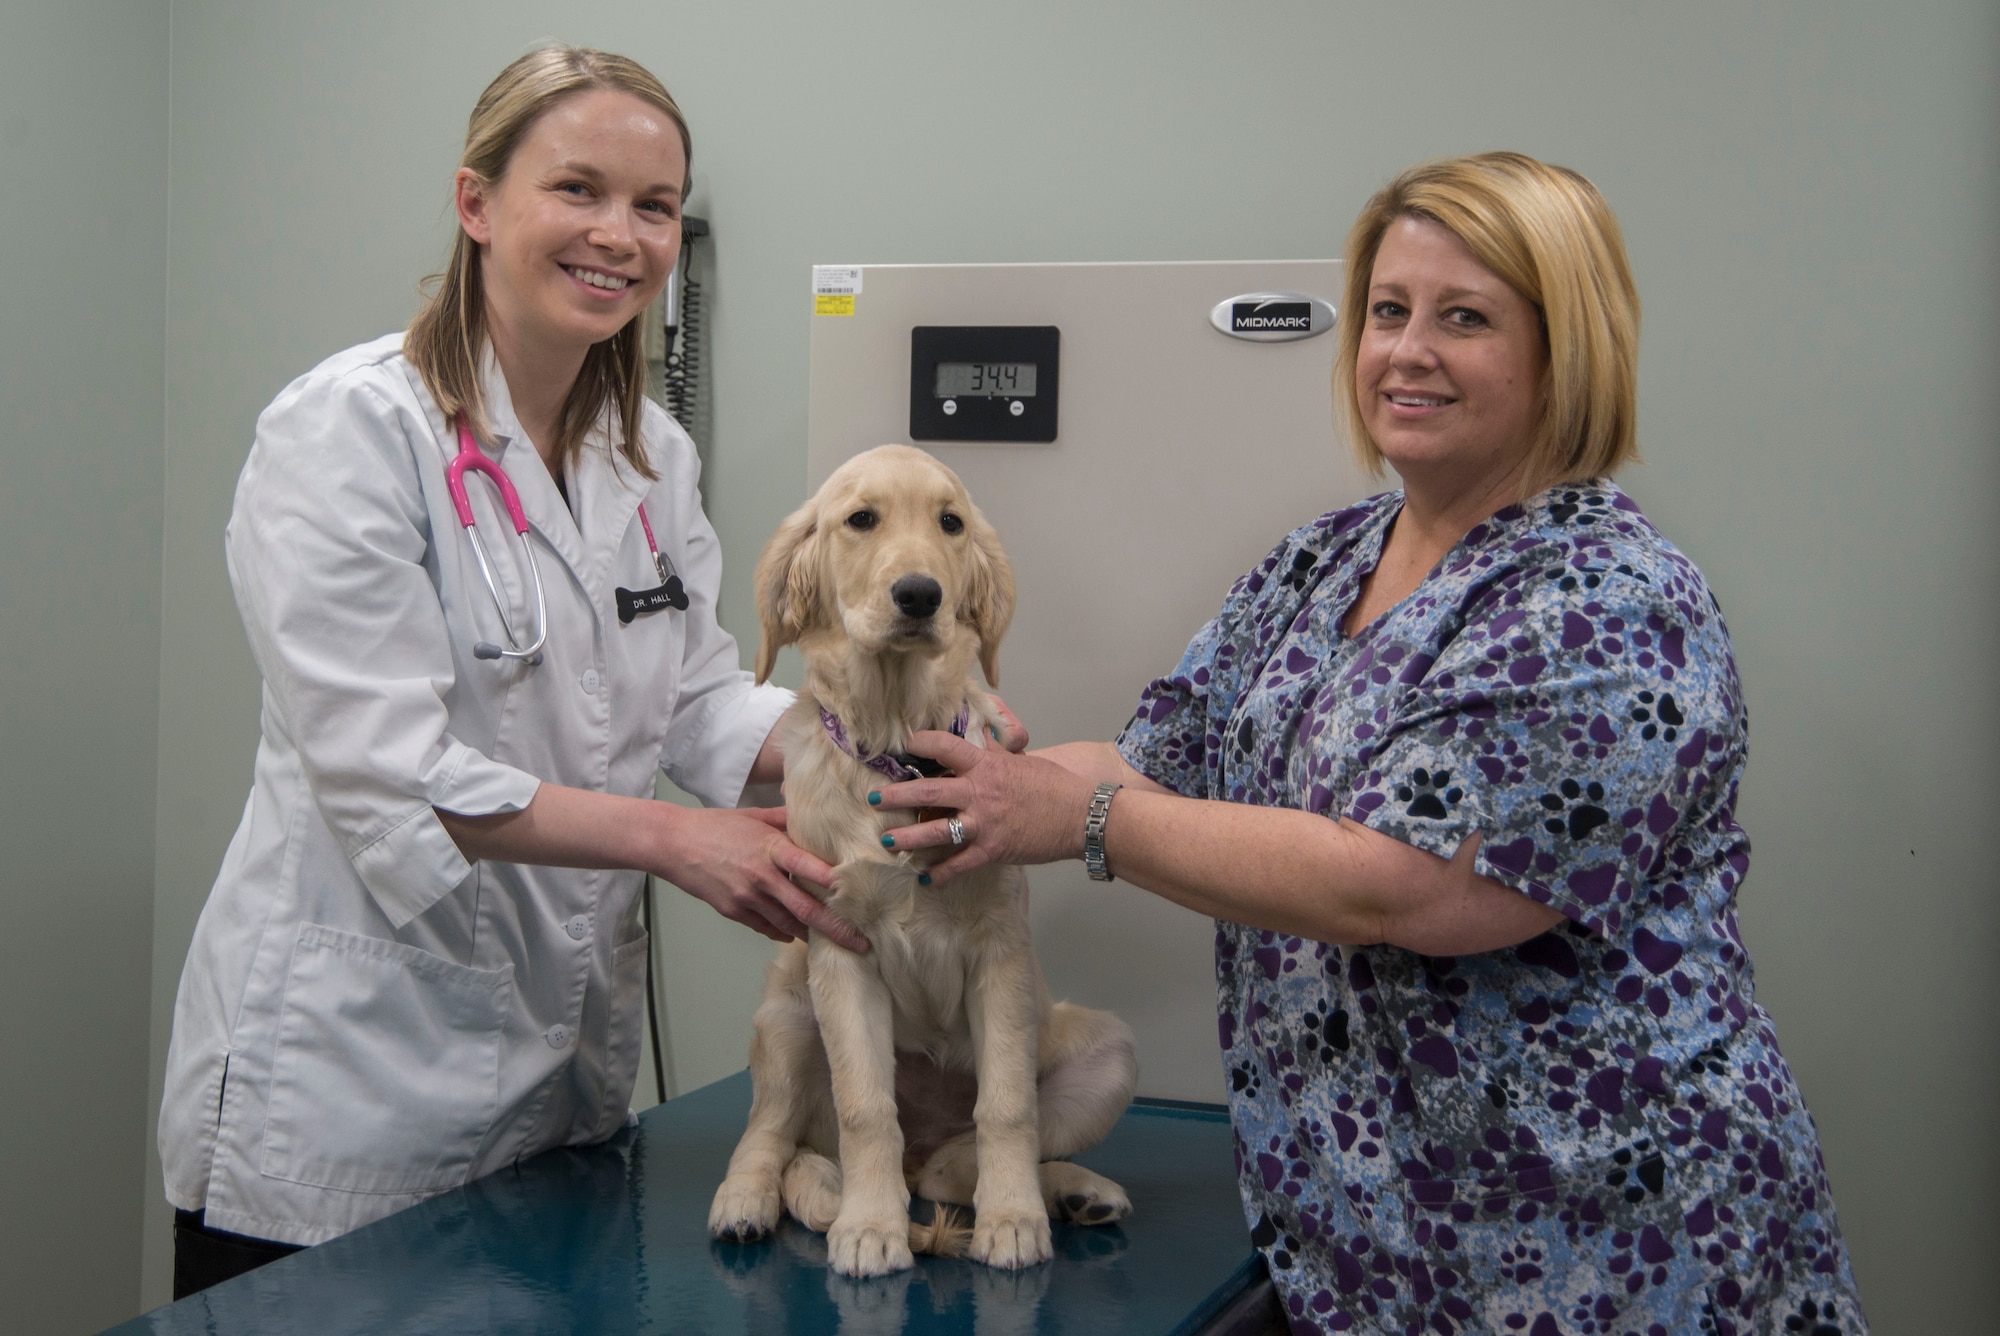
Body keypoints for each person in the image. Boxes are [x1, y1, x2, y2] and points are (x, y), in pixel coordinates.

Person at [875, 153, 1866, 1334]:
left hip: (1602, 1253)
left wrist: (1071, 818)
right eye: (1388, 312)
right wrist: (930, 787)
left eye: (1464, 318)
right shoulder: (1324, 559)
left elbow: (1410, 886)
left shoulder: (1605, 598)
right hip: (1368, 1257)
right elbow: (1151, 757)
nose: (1407, 350)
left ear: (1566, 349)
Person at [157, 46, 867, 1298]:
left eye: (653, 206)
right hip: (349, 1103)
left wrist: (884, 741)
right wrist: (671, 839)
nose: (620, 235)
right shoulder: (347, 432)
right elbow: (394, 777)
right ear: (476, 203)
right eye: (577, 190)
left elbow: (698, 699)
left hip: (557, 1104)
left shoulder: (650, 452)